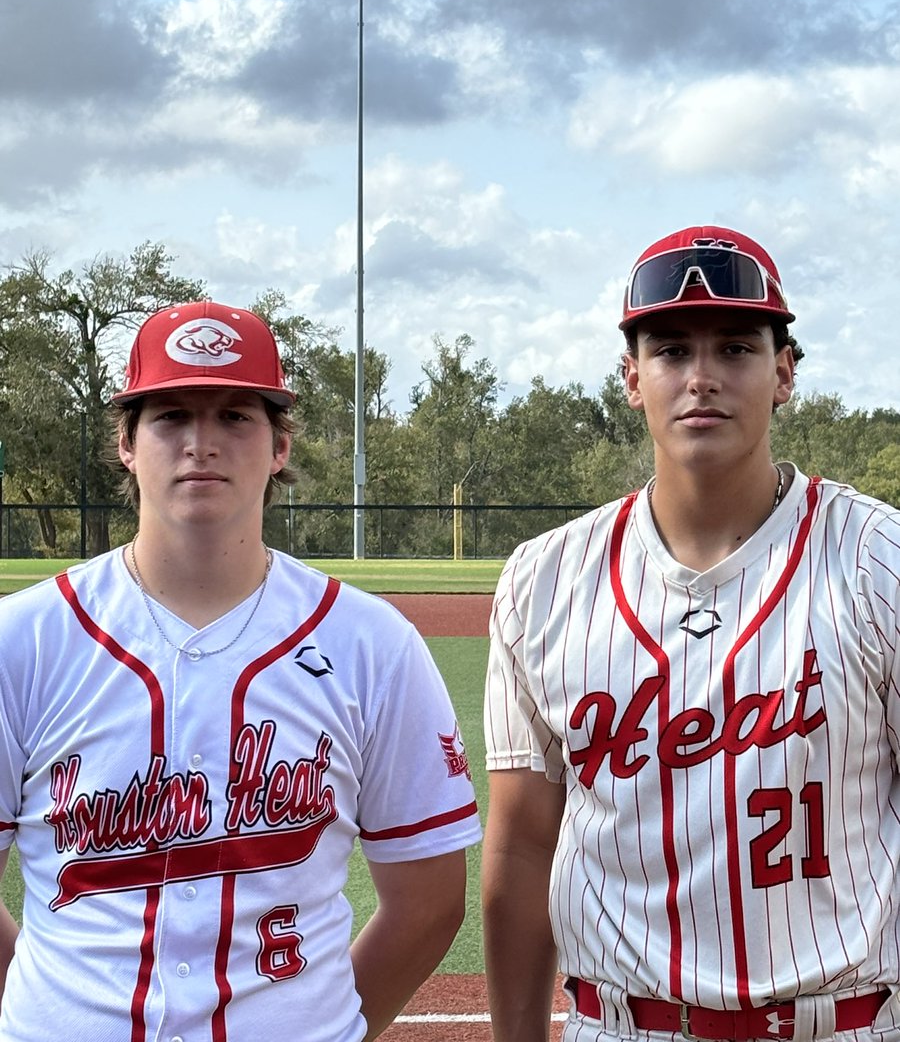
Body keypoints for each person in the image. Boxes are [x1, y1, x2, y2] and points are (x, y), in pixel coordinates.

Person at [0, 300, 481, 1041]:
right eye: (171, 417)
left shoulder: (371, 643)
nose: (202, 443)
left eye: (234, 416)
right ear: (126, 442)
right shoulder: (23, 640)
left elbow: (428, 901)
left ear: (279, 445)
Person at [482, 225, 900, 1042]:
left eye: (736, 348)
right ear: (632, 379)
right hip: (621, 1025)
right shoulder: (543, 580)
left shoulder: (878, 561)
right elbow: (523, 847)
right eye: (672, 350)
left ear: (784, 373)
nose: (701, 377)